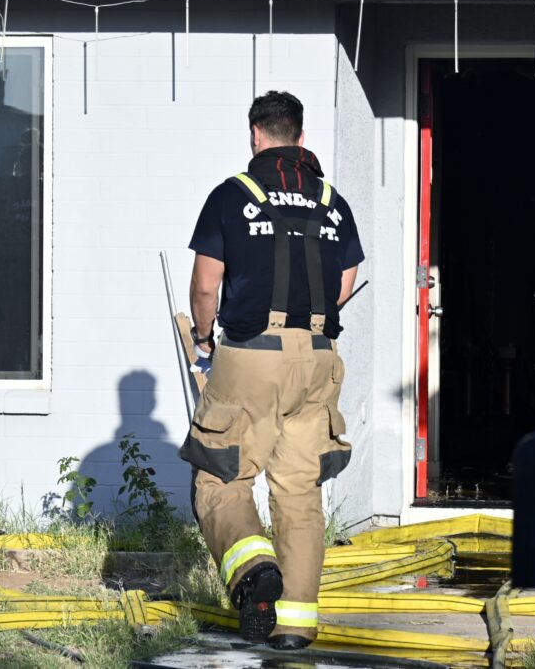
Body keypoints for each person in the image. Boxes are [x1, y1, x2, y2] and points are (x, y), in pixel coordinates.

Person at [179, 90, 363, 650]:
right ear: (301, 137)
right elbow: (346, 281)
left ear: (255, 135)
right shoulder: (333, 201)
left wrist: (204, 337)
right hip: (319, 358)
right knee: (300, 490)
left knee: (221, 476)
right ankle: (296, 626)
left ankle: (253, 570)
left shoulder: (232, 195)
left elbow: (206, 284)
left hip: (251, 356)